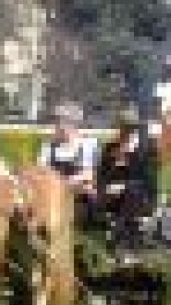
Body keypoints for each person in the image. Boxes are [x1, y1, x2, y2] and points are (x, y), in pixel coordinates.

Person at [92, 108, 158, 244]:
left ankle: (120, 237)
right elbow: (101, 175)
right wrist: (103, 187)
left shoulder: (146, 150)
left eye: (130, 129)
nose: (126, 133)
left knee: (132, 194)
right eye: (123, 128)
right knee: (89, 197)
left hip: (139, 195)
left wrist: (123, 187)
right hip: (110, 193)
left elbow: (148, 182)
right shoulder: (109, 148)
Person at [38, 102, 98, 199]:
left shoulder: (87, 144)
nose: (56, 127)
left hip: (79, 193)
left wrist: (67, 183)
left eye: (59, 123)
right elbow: (42, 171)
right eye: (55, 122)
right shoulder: (48, 147)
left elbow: (88, 173)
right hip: (54, 192)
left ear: (72, 125)